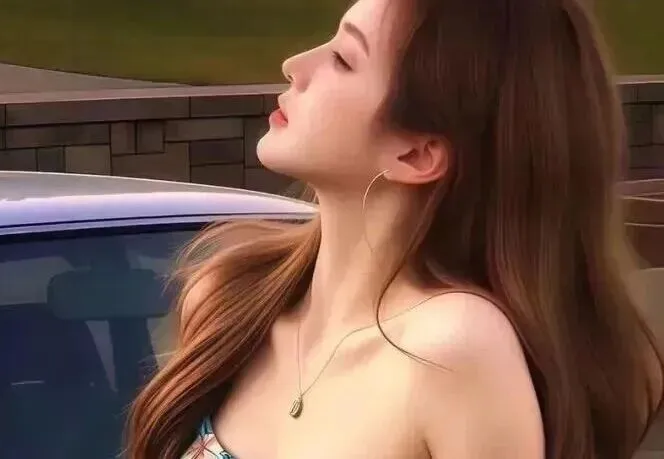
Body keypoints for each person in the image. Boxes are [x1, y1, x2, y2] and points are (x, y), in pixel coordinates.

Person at [124, 0, 664, 458]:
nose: (295, 66)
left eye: (343, 58)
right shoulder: (229, 298)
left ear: (417, 154)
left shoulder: (452, 347)